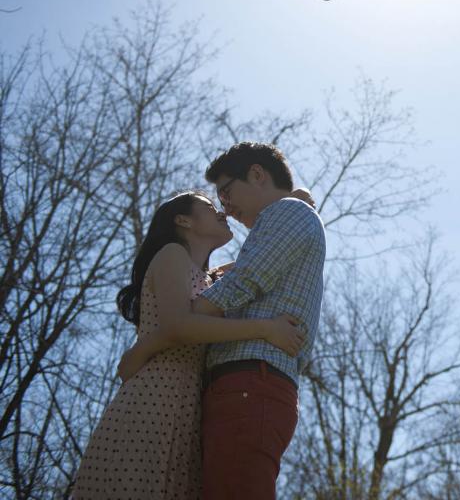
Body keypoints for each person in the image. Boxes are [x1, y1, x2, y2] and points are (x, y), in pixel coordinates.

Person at [119, 142, 326, 500]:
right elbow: (237, 275)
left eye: (226, 193)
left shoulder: (287, 213)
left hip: (251, 382)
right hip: (243, 386)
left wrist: (181, 322)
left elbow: (244, 281)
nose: (226, 210)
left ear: (257, 174)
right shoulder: (285, 215)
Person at [72, 190, 305, 500]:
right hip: (154, 398)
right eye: (209, 207)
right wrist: (265, 329)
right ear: (182, 220)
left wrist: (285, 200)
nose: (220, 212)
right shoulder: (171, 254)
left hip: (189, 412)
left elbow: (261, 256)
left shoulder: (210, 280)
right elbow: (178, 326)